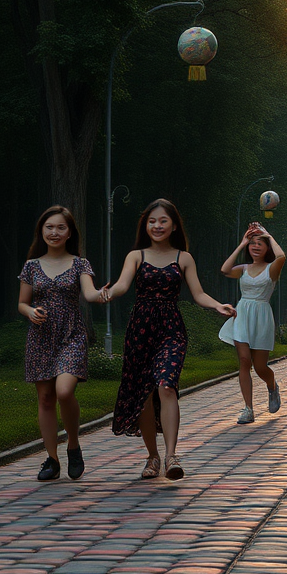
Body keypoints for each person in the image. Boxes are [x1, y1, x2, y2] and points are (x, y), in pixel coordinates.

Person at [104, 199, 235, 480]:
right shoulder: (135, 256)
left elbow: (198, 293)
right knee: (143, 395)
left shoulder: (183, 258)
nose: (157, 226)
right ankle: (152, 457)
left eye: (163, 221)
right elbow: (122, 286)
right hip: (140, 331)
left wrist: (216, 306)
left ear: (174, 225)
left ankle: (171, 455)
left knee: (166, 385)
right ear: (146, 225)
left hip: (171, 330)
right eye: (152, 221)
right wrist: (106, 293)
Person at [18, 206, 106, 482]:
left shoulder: (80, 263)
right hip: (41, 338)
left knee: (64, 391)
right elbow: (22, 302)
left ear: (70, 233)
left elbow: (89, 293)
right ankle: (52, 459)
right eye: (49, 227)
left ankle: (74, 446)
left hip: (71, 336)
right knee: (45, 399)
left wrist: (104, 293)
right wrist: (30, 312)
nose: (54, 232)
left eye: (60, 228)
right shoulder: (31, 266)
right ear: (41, 231)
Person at [219, 223, 286, 424]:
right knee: (244, 360)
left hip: (262, 315)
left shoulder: (272, 269)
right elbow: (225, 269)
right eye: (252, 243)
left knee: (260, 367)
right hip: (242, 314)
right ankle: (248, 409)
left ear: (267, 248)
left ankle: (272, 386)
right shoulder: (244, 269)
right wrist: (241, 244)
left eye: (260, 244)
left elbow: (282, 257)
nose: (255, 247)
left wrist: (268, 234)